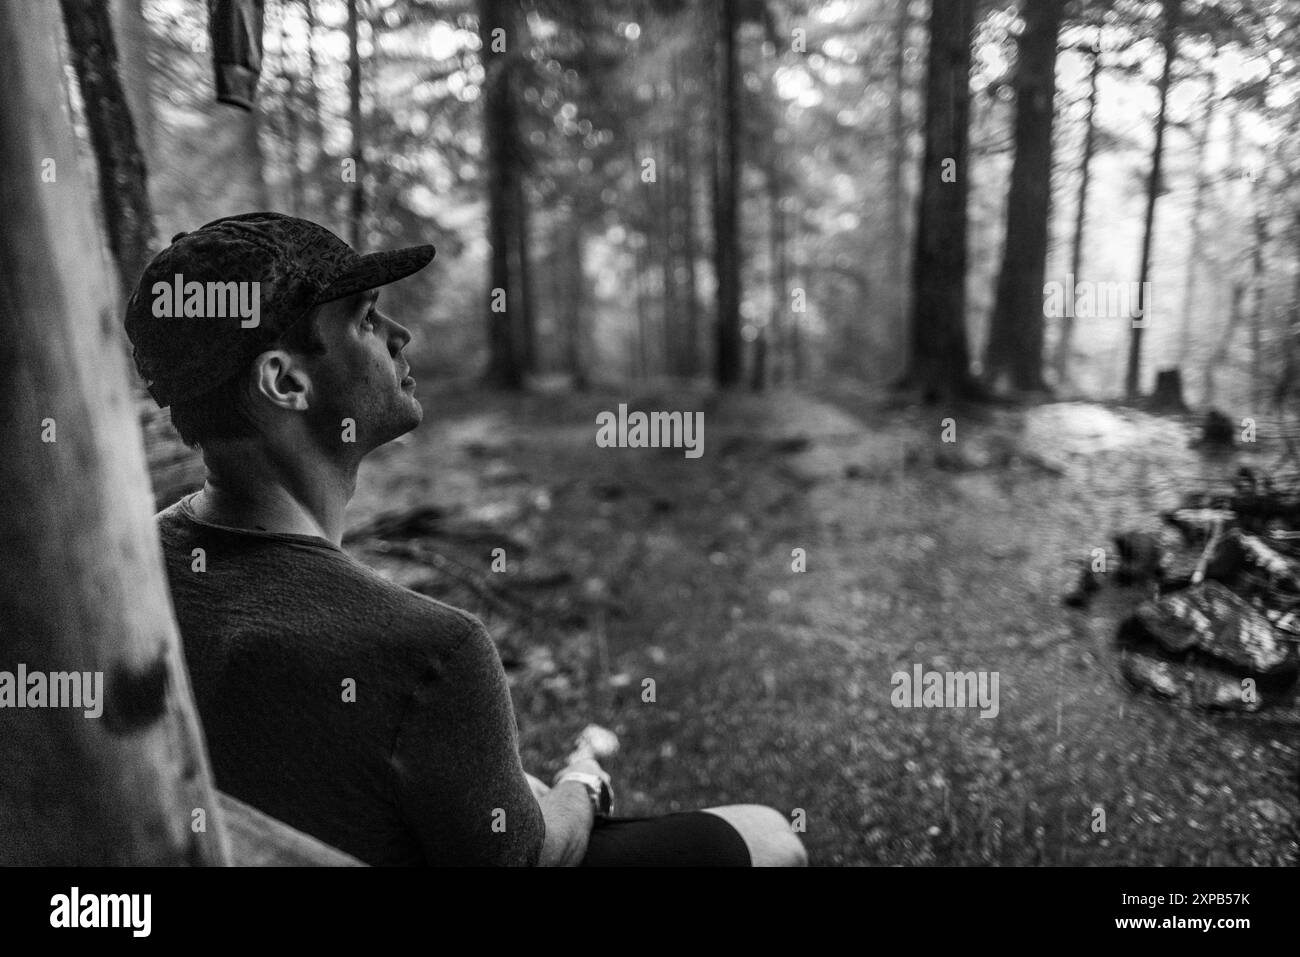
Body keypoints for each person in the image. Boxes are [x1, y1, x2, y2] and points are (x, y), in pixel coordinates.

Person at [125, 212, 807, 867]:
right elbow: (527, 854)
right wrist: (582, 783)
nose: (401, 334)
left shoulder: (129, 582)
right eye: (366, 320)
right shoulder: (428, 650)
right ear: (284, 380)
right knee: (773, 836)